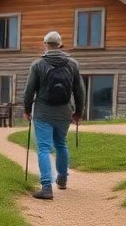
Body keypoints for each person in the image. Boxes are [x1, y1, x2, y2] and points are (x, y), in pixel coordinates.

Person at [22, 30, 86, 200]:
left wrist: (27, 110)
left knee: (43, 148)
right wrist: (79, 112)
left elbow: (29, 91)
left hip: (43, 112)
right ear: (60, 44)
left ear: (45, 44)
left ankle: (46, 187)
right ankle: (63, 180)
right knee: (61, 144)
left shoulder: (38, 65)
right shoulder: (72, 64)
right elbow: (80, 91)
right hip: (65, 111)